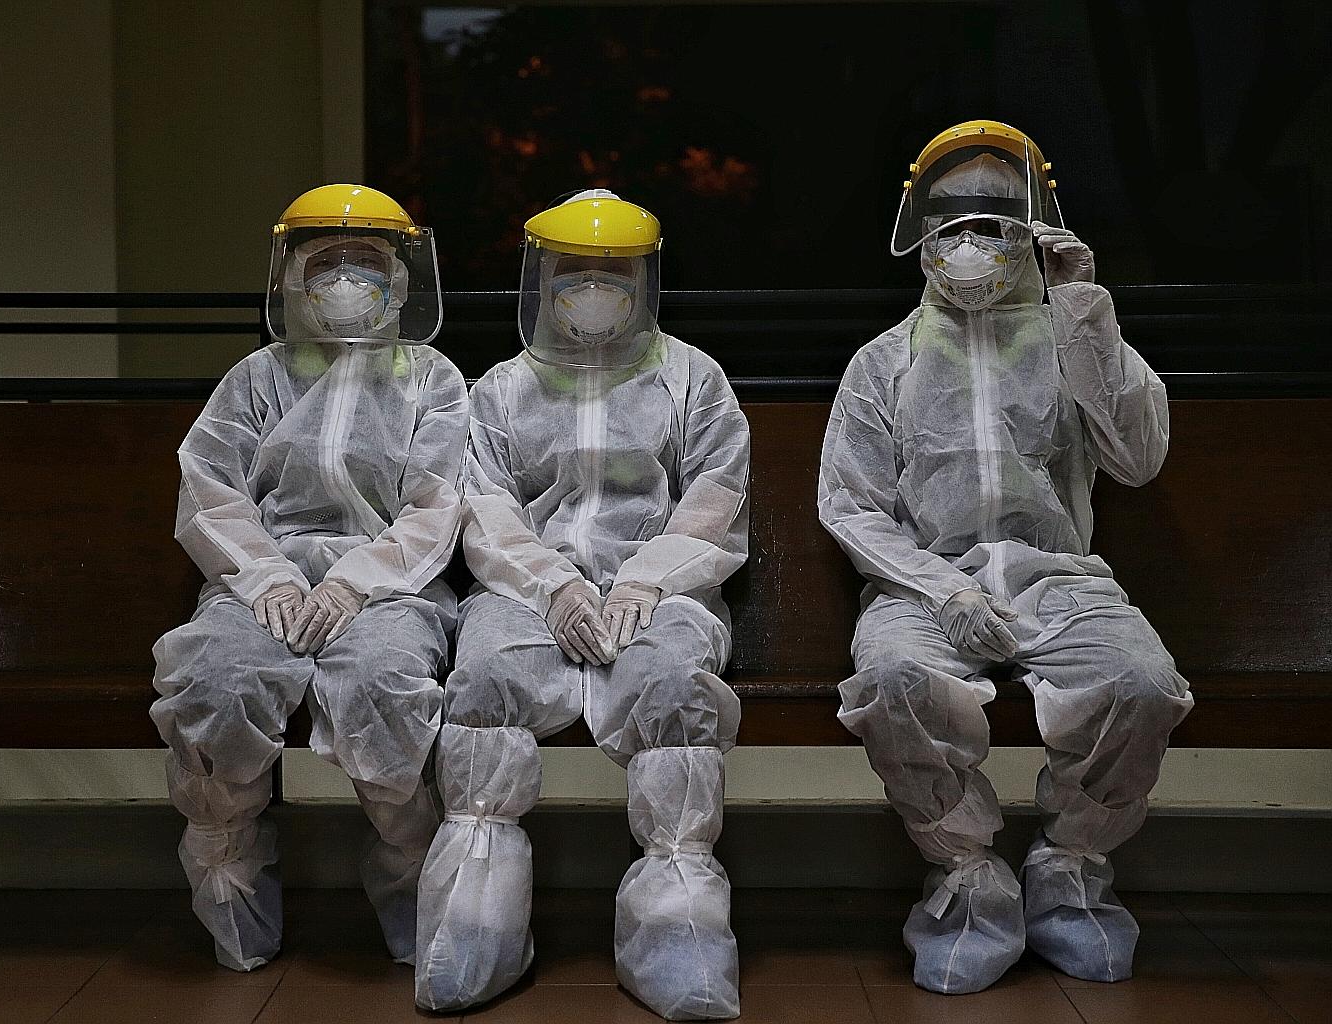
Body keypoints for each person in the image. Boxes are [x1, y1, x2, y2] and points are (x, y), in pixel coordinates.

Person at [818, 121, 1194, 994]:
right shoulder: (885, 361)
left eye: (993, 220)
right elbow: (851, 504)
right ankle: (965, 876)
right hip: (925, 587)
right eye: (950, 219)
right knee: (891, 680)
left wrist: (1085, 310)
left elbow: (1138, 457)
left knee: (1141, 683)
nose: (971, 240)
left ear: (1033, 224)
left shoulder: (1071, 338)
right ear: (921, 229)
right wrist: (942, 589)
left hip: (1057, 580)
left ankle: (1070, 869)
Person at [415, 190, 750, 1020]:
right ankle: (477, 933)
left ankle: (678, 936)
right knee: (483, 680)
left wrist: (648, 578)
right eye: (575, 273)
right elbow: (486, 507)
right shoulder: (502, 390)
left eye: (614, 273)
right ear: (542, 278)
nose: (593, 290)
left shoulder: (692, 379)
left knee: (674, 692)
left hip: (662, 592)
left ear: (645, 279)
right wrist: (553, 584)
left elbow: (715, 501)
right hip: (525, 592)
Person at [150, 184, 468, 972]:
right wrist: (268, 578)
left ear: (402, 279)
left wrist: (354, 582)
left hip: (391, 587)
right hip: (260, 584)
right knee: (217, 681)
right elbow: (210, 491)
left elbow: (436, 505)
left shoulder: (431, 380)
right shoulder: (256, 378)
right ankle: (228, 868)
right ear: (291, 277)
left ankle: (411, 869)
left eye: (368, 263)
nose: (347, 280)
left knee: (381, 685)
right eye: (327, 263)